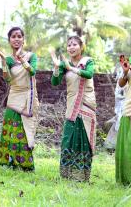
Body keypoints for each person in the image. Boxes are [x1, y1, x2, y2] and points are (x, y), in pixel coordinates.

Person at [50, 36, 96, 182]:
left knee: (83, 138)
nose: (71, 47)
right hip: (71, 105)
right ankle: (66, 174)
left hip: (86, 104)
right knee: (68, 138)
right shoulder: (65, 64)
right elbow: (55, 82)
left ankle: (81, 176)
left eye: (74, 44)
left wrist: (72, 69)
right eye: (69, 45)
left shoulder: (88, 61)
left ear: (81, 46)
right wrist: (57, 68)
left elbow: (89, 74)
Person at [0, 27, 39, 171]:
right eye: (13, 36)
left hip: (27, 96)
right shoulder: (8, 59)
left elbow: (32, 71)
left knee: (24, 129)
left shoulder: (31, 56)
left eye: (19, 36)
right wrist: (3, 62)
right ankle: (8, 163)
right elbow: (7, 79)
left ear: (23, 39)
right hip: (14, 96)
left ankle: (25, 164)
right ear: (9, 40)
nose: (16, 39)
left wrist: (22, 60)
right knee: (10, 127)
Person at [115, 30, 131, 185]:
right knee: (128, 145)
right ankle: (127, 180)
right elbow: (121, 84)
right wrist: (125, 73)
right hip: (129, 105)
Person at [104, 55, 127, 150]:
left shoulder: (128, 78)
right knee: (118, 122)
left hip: (127, 105)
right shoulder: (120, 82)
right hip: (121, 105)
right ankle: (112, 146)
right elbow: (118, 95)